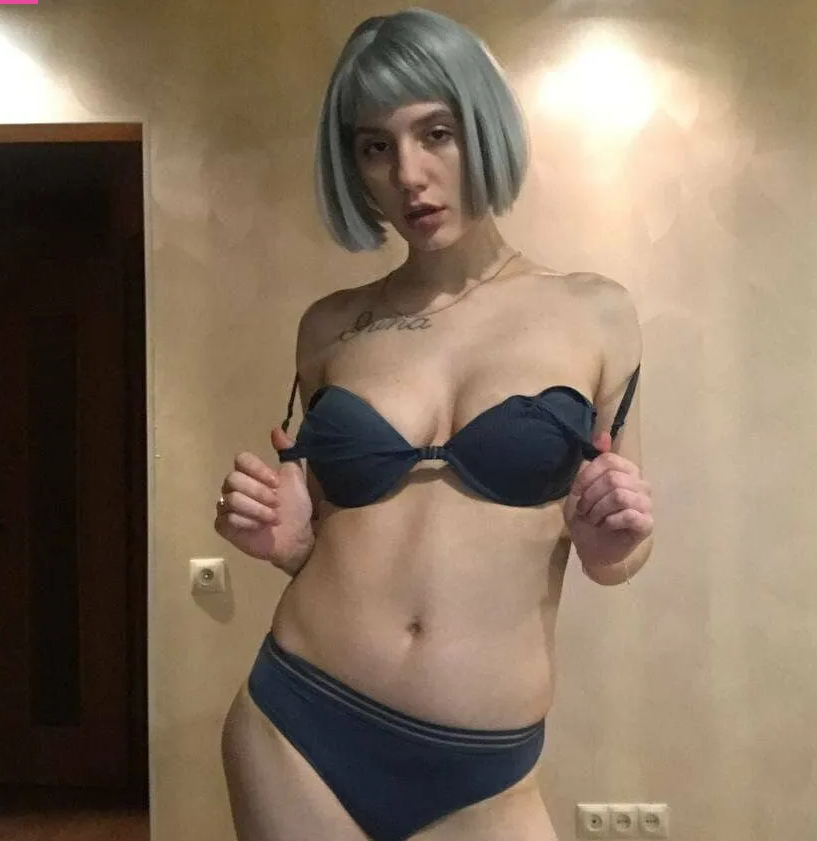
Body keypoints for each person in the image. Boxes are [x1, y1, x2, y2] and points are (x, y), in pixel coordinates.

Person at [214, 8, 655, 841]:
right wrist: (285, 542)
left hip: (484, 766)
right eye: (374, 147)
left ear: (481, 128)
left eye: (436, 133)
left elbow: (621, 553)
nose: (408, 175)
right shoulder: (330, 327)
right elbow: (331, 536)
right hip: (298, 723)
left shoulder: (595, 313)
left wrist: (612, 542)